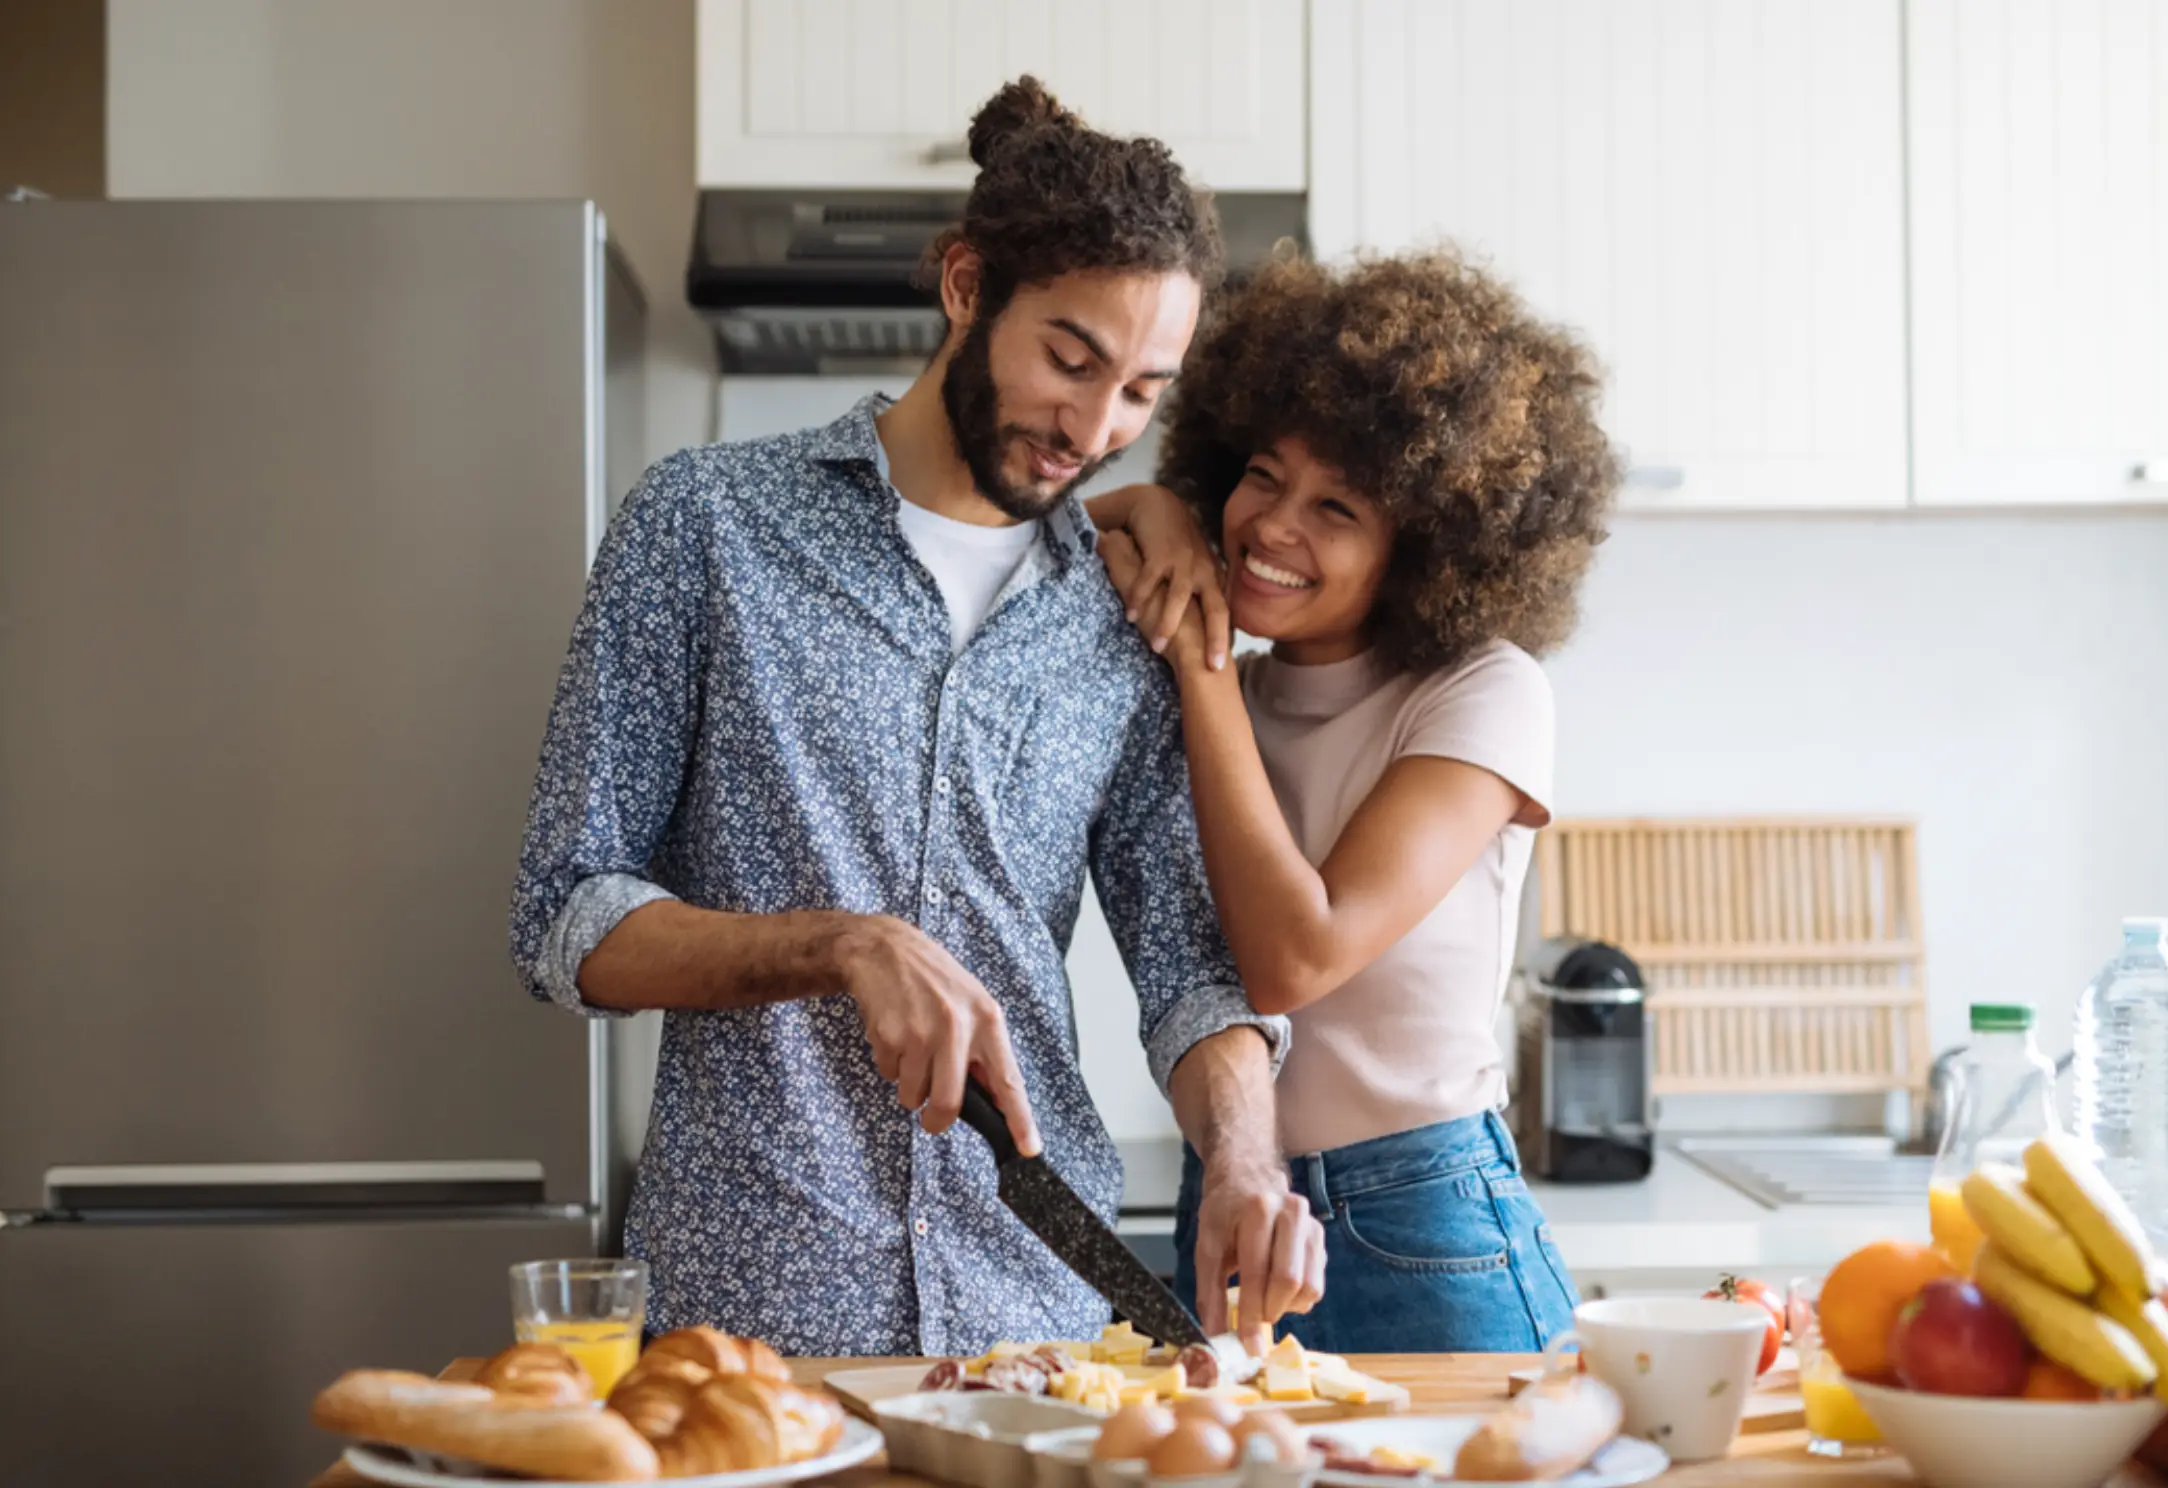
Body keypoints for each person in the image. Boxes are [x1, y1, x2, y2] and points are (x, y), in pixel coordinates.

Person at [509, 79, 1323, 1357]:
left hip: (1034, 1323)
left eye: (1140, 392)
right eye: (1070, 360)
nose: (1093, 427)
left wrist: (1243, 1160)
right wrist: (840, 944)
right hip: (756, 1320)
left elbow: (1191, 970)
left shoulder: (1126, 608)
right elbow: (564, 919)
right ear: (965, 286)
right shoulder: (709, 527)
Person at [1086, 248, 1618, 1352]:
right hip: (1234, 1198)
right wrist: (1150, 508)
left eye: (1337, 507)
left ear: (1421, 546)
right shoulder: (1235, 692)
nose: (1275, 527)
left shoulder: (1483, 691)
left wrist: (1200, 664)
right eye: (1263, 476)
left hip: (1426, 1218)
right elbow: (1025, 563)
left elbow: (1295, 957)